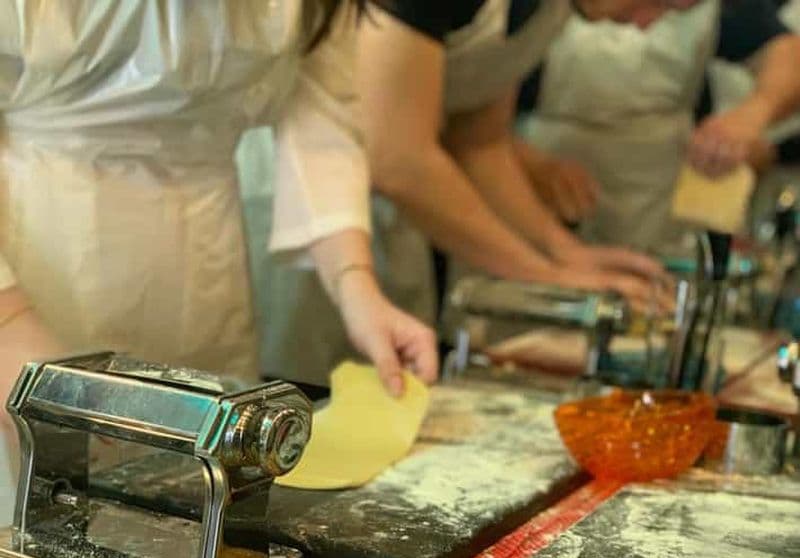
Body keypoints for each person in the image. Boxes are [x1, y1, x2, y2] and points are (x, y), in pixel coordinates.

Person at [0, 0, 438, 524]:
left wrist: (355, 284)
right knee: (57, 523)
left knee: (197, 513)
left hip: (206, 271)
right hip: (38, 272)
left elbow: (318, 109)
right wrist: (9, 327)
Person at [250, 0, 674, 388]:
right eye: (661, 1)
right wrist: (548, 276)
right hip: (308, 207)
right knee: (304, 398)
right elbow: (398, 158)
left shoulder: (550, 11)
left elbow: (480, 144)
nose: (647, 25)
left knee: (387, 386)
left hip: (389, 224)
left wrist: (564, 253)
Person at [516, 0, 800, 253]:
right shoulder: (525, 11)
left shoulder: (716, 8)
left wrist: (752, 113)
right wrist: (528, 163)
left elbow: (787, 52)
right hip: (534, 198)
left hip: (656, 206)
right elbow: (488, 123)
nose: (643, 25)